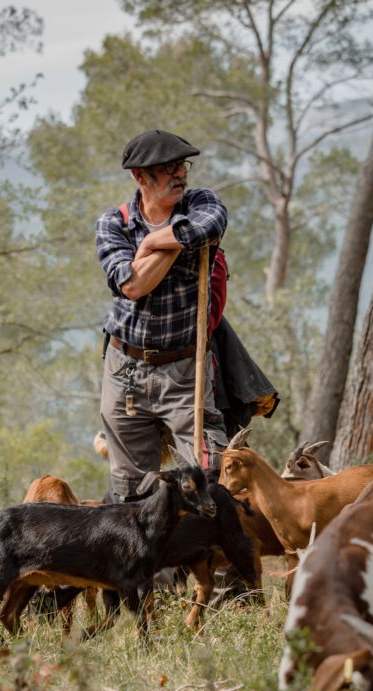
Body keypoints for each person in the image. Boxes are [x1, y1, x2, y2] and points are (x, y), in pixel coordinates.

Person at [95, 129, 230, 502]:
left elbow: (212, 223)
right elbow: (134, 287)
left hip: (186, 369)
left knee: (207, 479)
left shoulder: (202, 202)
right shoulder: (113, 224)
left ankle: (200, 559)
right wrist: (180, 239)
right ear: (140, 176)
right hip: (125, 372)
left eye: (182, 165)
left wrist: (153, 241)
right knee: (131, 490)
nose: (180, 174)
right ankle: (151, 563)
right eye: (168, 168)